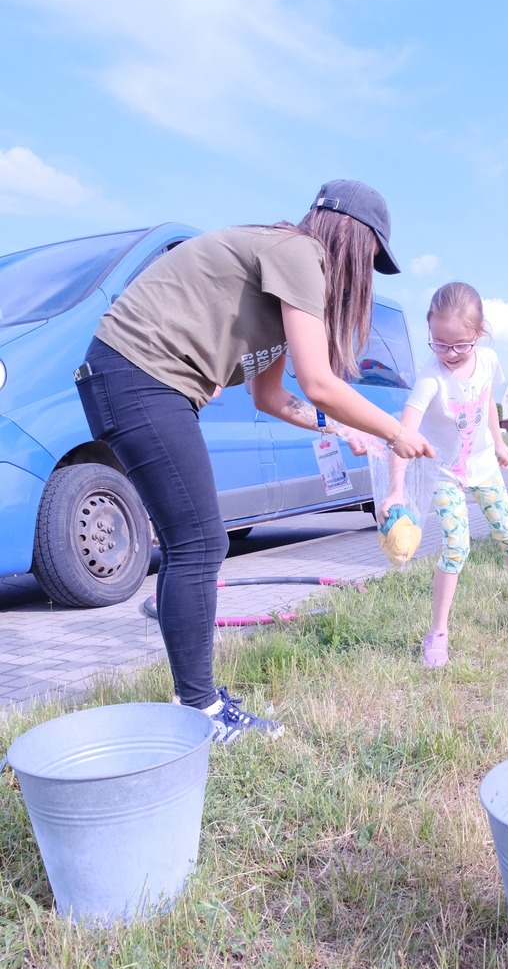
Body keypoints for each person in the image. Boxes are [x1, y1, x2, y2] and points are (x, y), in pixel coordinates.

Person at [75, 179, 434, 743]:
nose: (365, 272)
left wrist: (335, 426)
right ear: (349, 236)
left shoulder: (286, 277)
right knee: (200, 542)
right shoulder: (299, 255)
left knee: (189, 541)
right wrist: (394, 431)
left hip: (141, 381)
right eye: (370, 256)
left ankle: (192, 702)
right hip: (136, 375)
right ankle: (201, 710)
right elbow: (319, 381)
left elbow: (270, 395)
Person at [381, 281, 508, 669]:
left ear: (479, 333)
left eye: (460, 344)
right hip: (444, 473)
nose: (450, 353)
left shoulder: (488, 360)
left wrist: (499, 441)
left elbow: (487, 401)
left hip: (485, 466)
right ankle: (437, 632)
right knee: (457, 547)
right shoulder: (431, 378)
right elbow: (402, 433)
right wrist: (395, 490)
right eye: (439, 343)